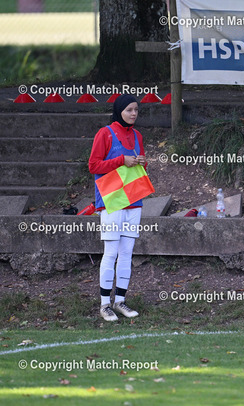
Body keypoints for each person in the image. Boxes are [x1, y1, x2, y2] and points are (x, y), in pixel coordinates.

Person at [88, 94, 147, 321]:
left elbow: (140, 164)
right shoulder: (105, 133)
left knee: (126, 253)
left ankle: (120, 301)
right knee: (111, 252)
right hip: (111, 200)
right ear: (119, 111)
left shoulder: (137, 135)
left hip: (134, 199)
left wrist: (142, 162)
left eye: (136, 110)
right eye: (129, 110)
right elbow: (94, 165)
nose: (133, 114)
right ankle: (105, 304)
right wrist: (122, 160)